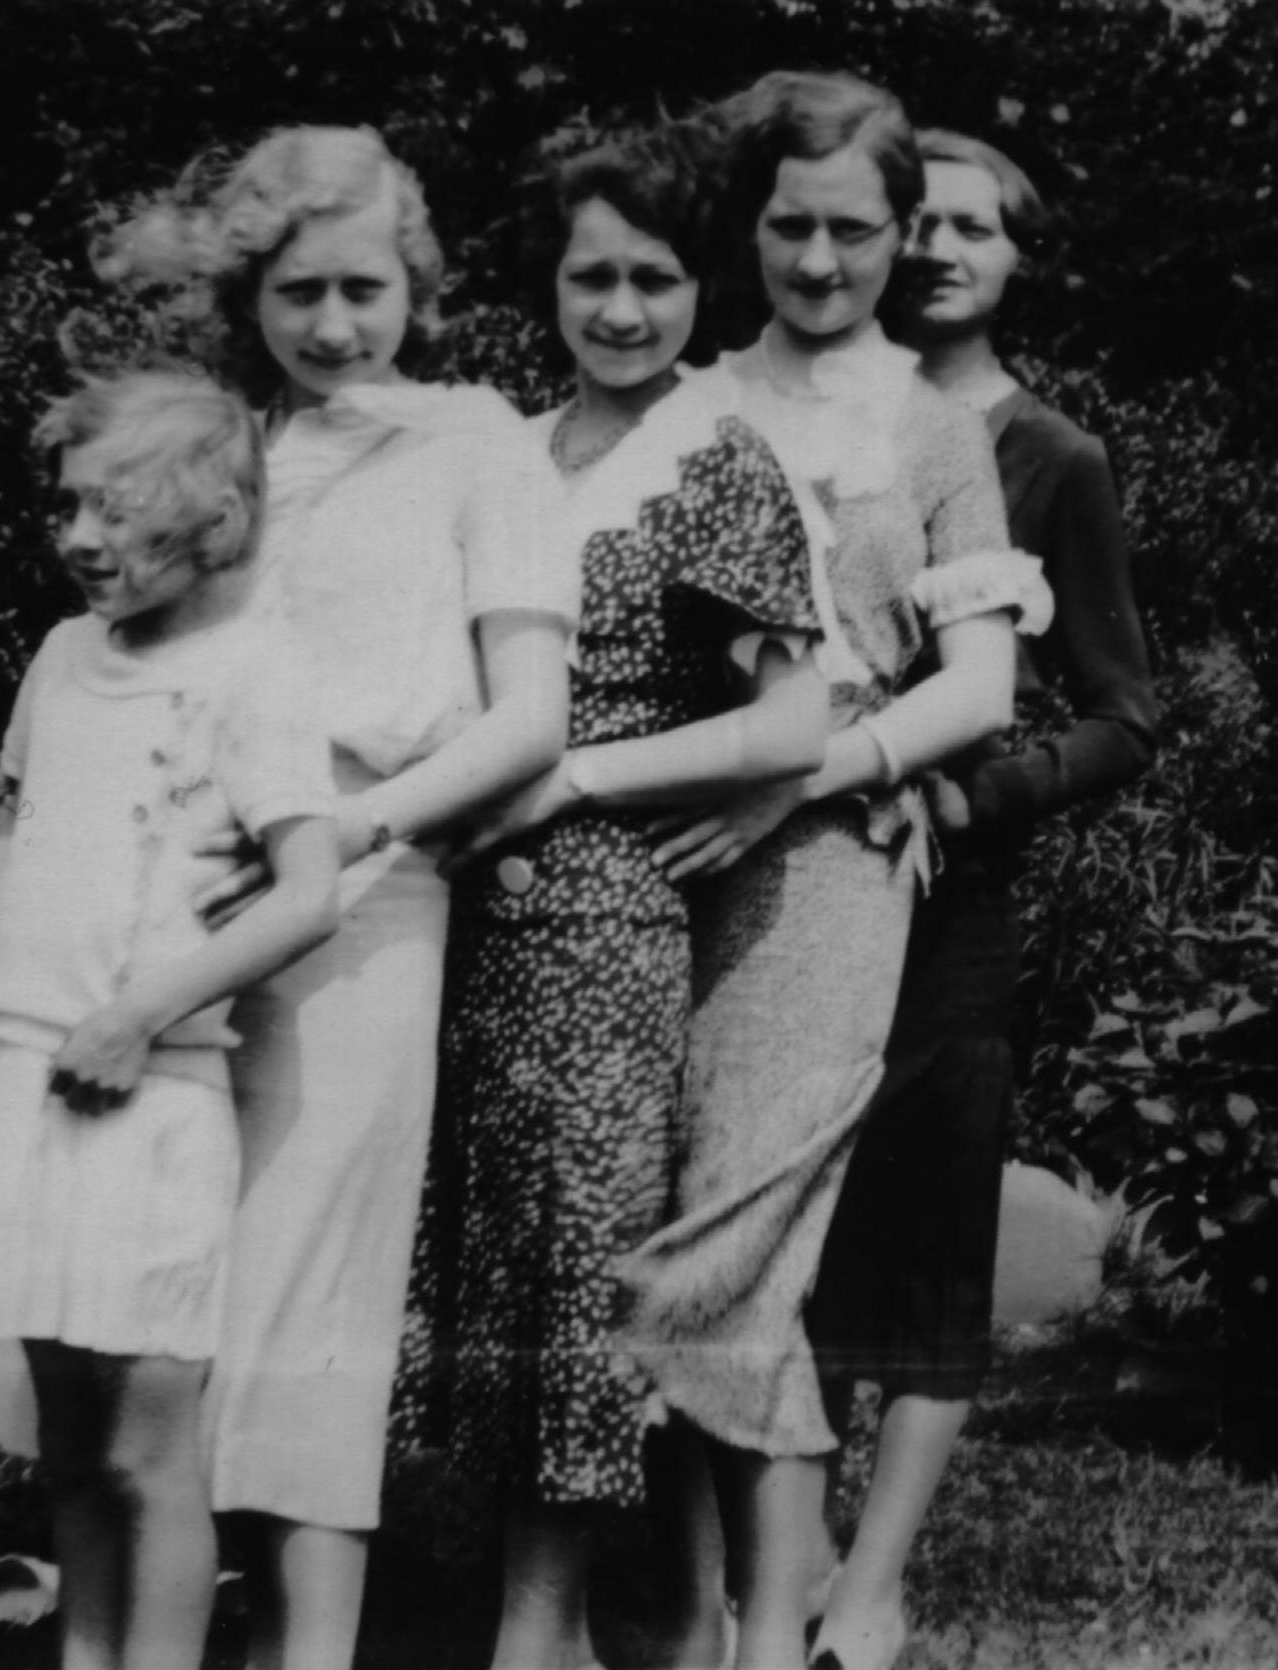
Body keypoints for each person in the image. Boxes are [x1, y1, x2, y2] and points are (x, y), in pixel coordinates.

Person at [0, 127, 579, 1670]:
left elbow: (529, 718)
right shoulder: (226, 448)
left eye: (363, 289)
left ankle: (307, 1645)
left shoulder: (477, 442)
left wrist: (359, 824)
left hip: (364, 900)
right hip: (174, 910)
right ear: (250, 292)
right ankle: (136, 1604)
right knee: (146, 1269)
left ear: (418, 287)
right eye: (299, 291)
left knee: (316, 1287)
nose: (332, 323)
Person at [611, 72, 1049, 1670]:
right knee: (657, 1218)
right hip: (641, 855)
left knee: (737, 1247)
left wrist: (802, 772)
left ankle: (761, 1631)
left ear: (901, 232)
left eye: (853, 230)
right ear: (749, 227)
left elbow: (979, 688)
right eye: (789, 225)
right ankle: (687, 1617)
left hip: (822, 875)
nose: (816, 261)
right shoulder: (683, 397)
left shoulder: (934, 431)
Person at [396, 120, 829, 1670]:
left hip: (602, 917)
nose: (625, 309)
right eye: (593, 277)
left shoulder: (717, 457)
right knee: (494, 1250)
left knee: (580, 1262)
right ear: (550, 284)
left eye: (656, 276)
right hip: (459, 909)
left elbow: (794, 723)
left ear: (703, 286)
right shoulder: (505, 450)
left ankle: (543, 1625)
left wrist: (580, 775)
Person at [800, 126, 1159, 1670]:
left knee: (931, 1221)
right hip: (785, 875)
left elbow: (1124, 713)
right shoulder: (798, 412)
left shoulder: (1051, 455)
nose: (941, 250)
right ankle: (785, 1549)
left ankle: (871, 1582)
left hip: (948, 895)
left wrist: (977, 793)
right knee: (785, 1210)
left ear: (1018, 259)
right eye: (920, 221)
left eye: (976, 228)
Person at [0, 369, 346, 1670]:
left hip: (153, 1097)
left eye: (116, 511)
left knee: (146, 1453)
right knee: (67, 1450)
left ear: (213, 517)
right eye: (67, 507)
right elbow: (17, 819)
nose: (79, 537)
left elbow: (310, 891)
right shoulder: (63, 656)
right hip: (32, 1082)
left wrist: (144, 1011)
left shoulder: (255, 668)